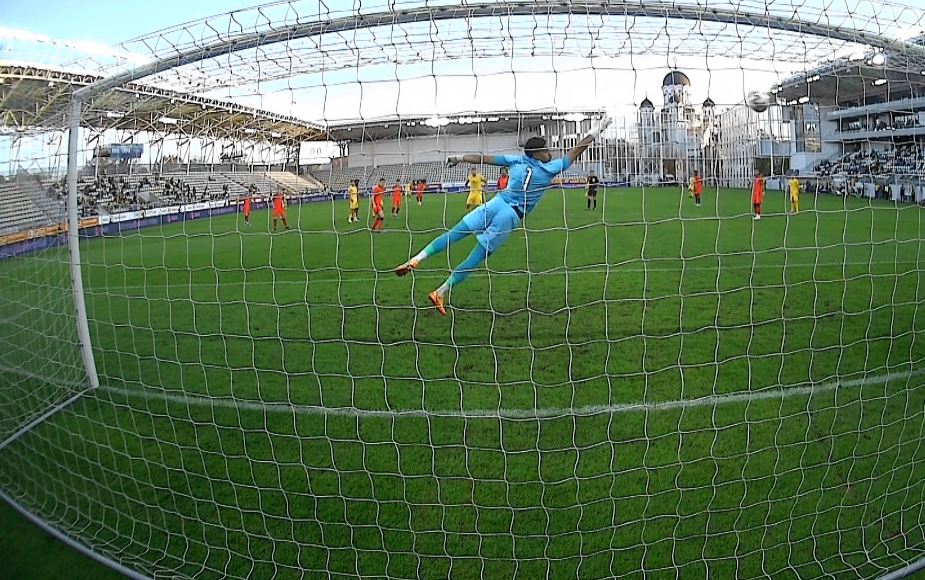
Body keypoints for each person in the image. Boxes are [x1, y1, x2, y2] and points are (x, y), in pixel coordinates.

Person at [394, 117, 612, 315]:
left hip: (496, 202)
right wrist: (596, 130)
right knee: (476, 256)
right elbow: (577, 150)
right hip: (510, 215)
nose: (550, 153)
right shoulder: (550, 169)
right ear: (537, 153)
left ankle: (416, 259)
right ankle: (440, 292)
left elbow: (484, 158)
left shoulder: (515, 161)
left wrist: (458, 157)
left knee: (455, 233)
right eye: (546, 151)